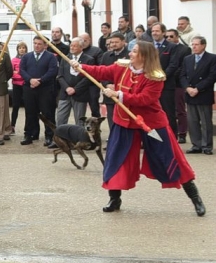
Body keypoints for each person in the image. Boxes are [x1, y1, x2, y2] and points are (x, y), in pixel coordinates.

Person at [71, 41, 205, 217]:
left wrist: (119, 94)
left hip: (151, 125)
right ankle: (114, 198)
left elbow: (144, 99)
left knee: (171, 157)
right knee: (116, 158)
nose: (130, 54)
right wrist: (81, 66)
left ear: (144, 56)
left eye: (134, 51)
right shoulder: (122, 67)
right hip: (124, 122)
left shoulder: (156, 76)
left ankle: (195, 198)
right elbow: (102, 71)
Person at [180, 36, 216, 155]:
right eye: (192, 44)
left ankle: (207, 146)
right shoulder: (187, 59)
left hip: (203, 93)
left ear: (203, 45)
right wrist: (188, 88)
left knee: (205, 122)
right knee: (192, 121)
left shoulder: (211, 58)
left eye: (196, 44)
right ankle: (196, 144)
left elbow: (212, 77)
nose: (194, 46)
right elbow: (182, 75)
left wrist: (198, 88)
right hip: (190, 93)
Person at [19, 36, 58, 146]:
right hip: (29, 88)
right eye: (35, 43)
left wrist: (40, 80)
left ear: (45, 45)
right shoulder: (26, 56)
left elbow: (52, 71)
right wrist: (30, 79)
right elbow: (22, 70)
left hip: (45, 89)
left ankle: (49, 136)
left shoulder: (51, 57)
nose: (36, 46)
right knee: (30, 112)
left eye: (39, 44)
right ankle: (30, 134)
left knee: (47, 113)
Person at [56, 38, 94, 128]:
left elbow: (88, 78)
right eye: (71, 46)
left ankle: (80, 139)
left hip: (80, 94)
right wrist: (67, 88)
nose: (72, 48)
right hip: (64, 93)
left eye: (75, 46)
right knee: (60, 118)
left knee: (80, 120)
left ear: (81, 47)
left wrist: (75, 89)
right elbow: (60, 76)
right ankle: (60, 139)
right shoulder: (65, 58)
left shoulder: (89, 60)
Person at [165, 28, 192, 144]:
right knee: (167, 109)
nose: (169, 39)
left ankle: (182, 133)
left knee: (180, 109)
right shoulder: (164, 48)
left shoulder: (185, 49)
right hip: (165, 83)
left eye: (171, 36)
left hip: (178, 83)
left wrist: (169, 75)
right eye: (167, 36)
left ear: (177, 37)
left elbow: (181, 66)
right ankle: (168, 132)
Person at [10, 42, 28, 135]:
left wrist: (19, 73)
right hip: (16, 85)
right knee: (15, 106)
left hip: (25, 85)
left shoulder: (28, 59)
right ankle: (12, 125)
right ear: (17, 49)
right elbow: (11, 73)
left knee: (27, 106)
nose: (22, 49)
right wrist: (19, 73)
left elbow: (28, 73)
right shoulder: (13, 60)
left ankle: (27, 127)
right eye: (20, 48)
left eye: (23, 48)